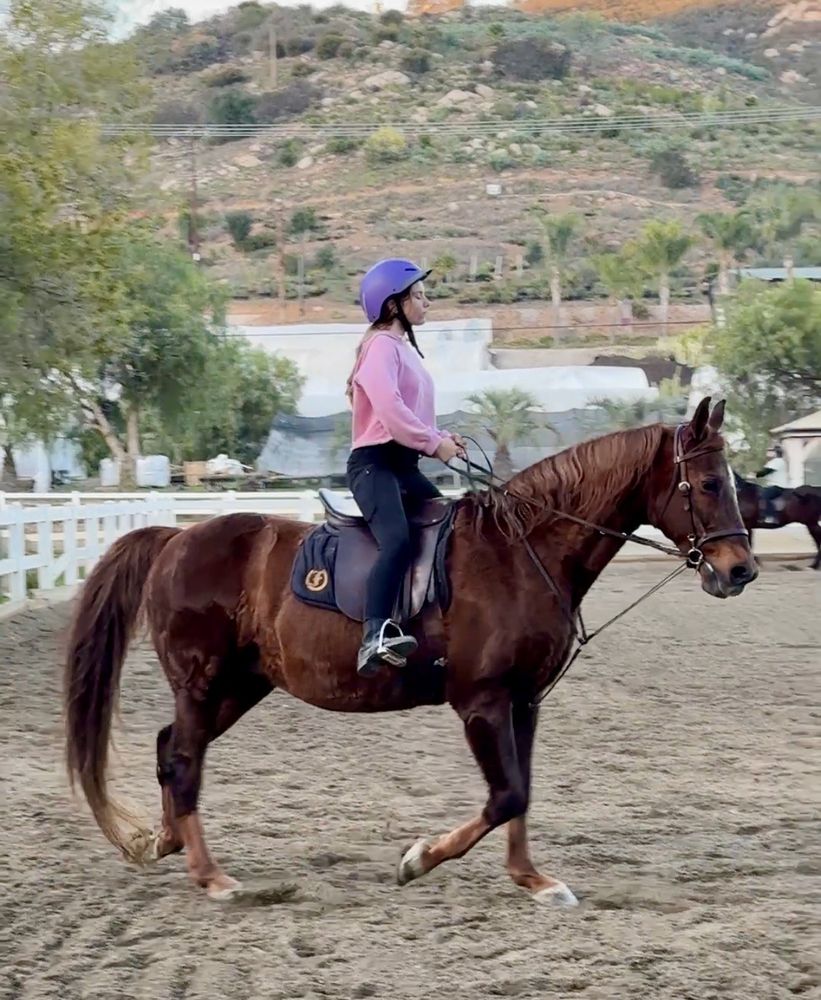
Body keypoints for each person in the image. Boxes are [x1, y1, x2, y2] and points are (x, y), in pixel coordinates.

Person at [346, 258, 466, 677]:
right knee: (396, 539)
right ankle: (374, 635)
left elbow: (413, 416)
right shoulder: (380, 346)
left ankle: (435, 626)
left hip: (404, 464)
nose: (427, 302)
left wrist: (442, 437)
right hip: (375, 465)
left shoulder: (403, 349)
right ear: (393, 305)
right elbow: (392, 414)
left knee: (449, 531)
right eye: (418, 295)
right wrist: (437, 446)